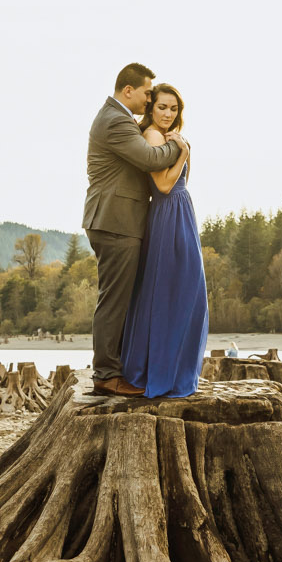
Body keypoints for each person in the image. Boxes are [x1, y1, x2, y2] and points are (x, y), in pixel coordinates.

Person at [84, 63, 184, 398]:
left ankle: (118, 370)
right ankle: (107, 376)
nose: (150, 99)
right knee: (114, 300)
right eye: (147, 93)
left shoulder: (117, 118)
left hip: (118, 220)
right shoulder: (114, 120)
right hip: (115, 221)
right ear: (129, 90)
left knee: (121, 298)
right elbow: (151, 158)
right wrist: (180, 147)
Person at [119, 84, 208, 399]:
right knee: (177, 291)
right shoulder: (153, 137)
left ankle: (173, 370)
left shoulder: (167, 136)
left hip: (179, 212)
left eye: (173, 109)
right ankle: (163, 373)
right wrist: (183, 152)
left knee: (183, 292)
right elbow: (164, 184)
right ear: (151, 109)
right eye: (162, 108)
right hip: (168, 213)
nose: (168, 114)